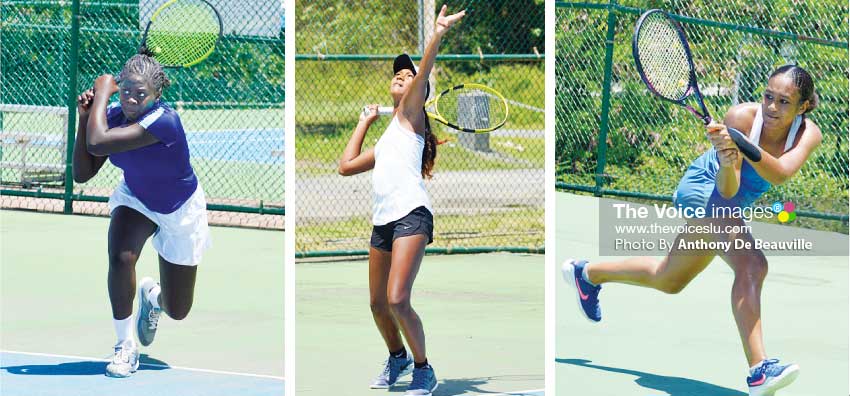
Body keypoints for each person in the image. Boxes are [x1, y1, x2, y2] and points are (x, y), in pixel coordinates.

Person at [562, 64, 821, 396]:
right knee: (753, 265)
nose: (772, 107)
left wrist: (742, 146)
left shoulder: (807, 133)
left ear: (802, 106)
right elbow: (727, 190)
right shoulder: (741, 117)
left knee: (669, 278)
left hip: (730, 204)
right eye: (769, 96)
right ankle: (760, 370)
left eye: (784, 102)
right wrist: (729, 158)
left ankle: (586, 274)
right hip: (704, 190)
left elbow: (782, 172)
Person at [337, 5, 465, 395]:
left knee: (397, 298)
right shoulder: (389, 133)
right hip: (383, 222)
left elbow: (424, 70)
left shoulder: (412, 115)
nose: (402, 75)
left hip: (412, 215)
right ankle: (398, 358)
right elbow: (345, 166)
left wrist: (436, 35)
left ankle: (424, 369)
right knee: (378, 305)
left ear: (418, 92)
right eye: (397, 72)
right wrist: (364, 121)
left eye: (408, 75)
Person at [73, 52, 211, 378]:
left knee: (178, 309)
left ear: (156, 95)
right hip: (136, 199)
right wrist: (85, 116)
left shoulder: (164, 121)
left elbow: (98, 141)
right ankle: (125, 346)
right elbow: (82, 171)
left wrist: (103, 90)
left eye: (141, 94)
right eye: (126, 90)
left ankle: (154, 296)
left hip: (180, 210)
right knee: (121, 256)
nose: (132, 99)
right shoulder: (116, 115)